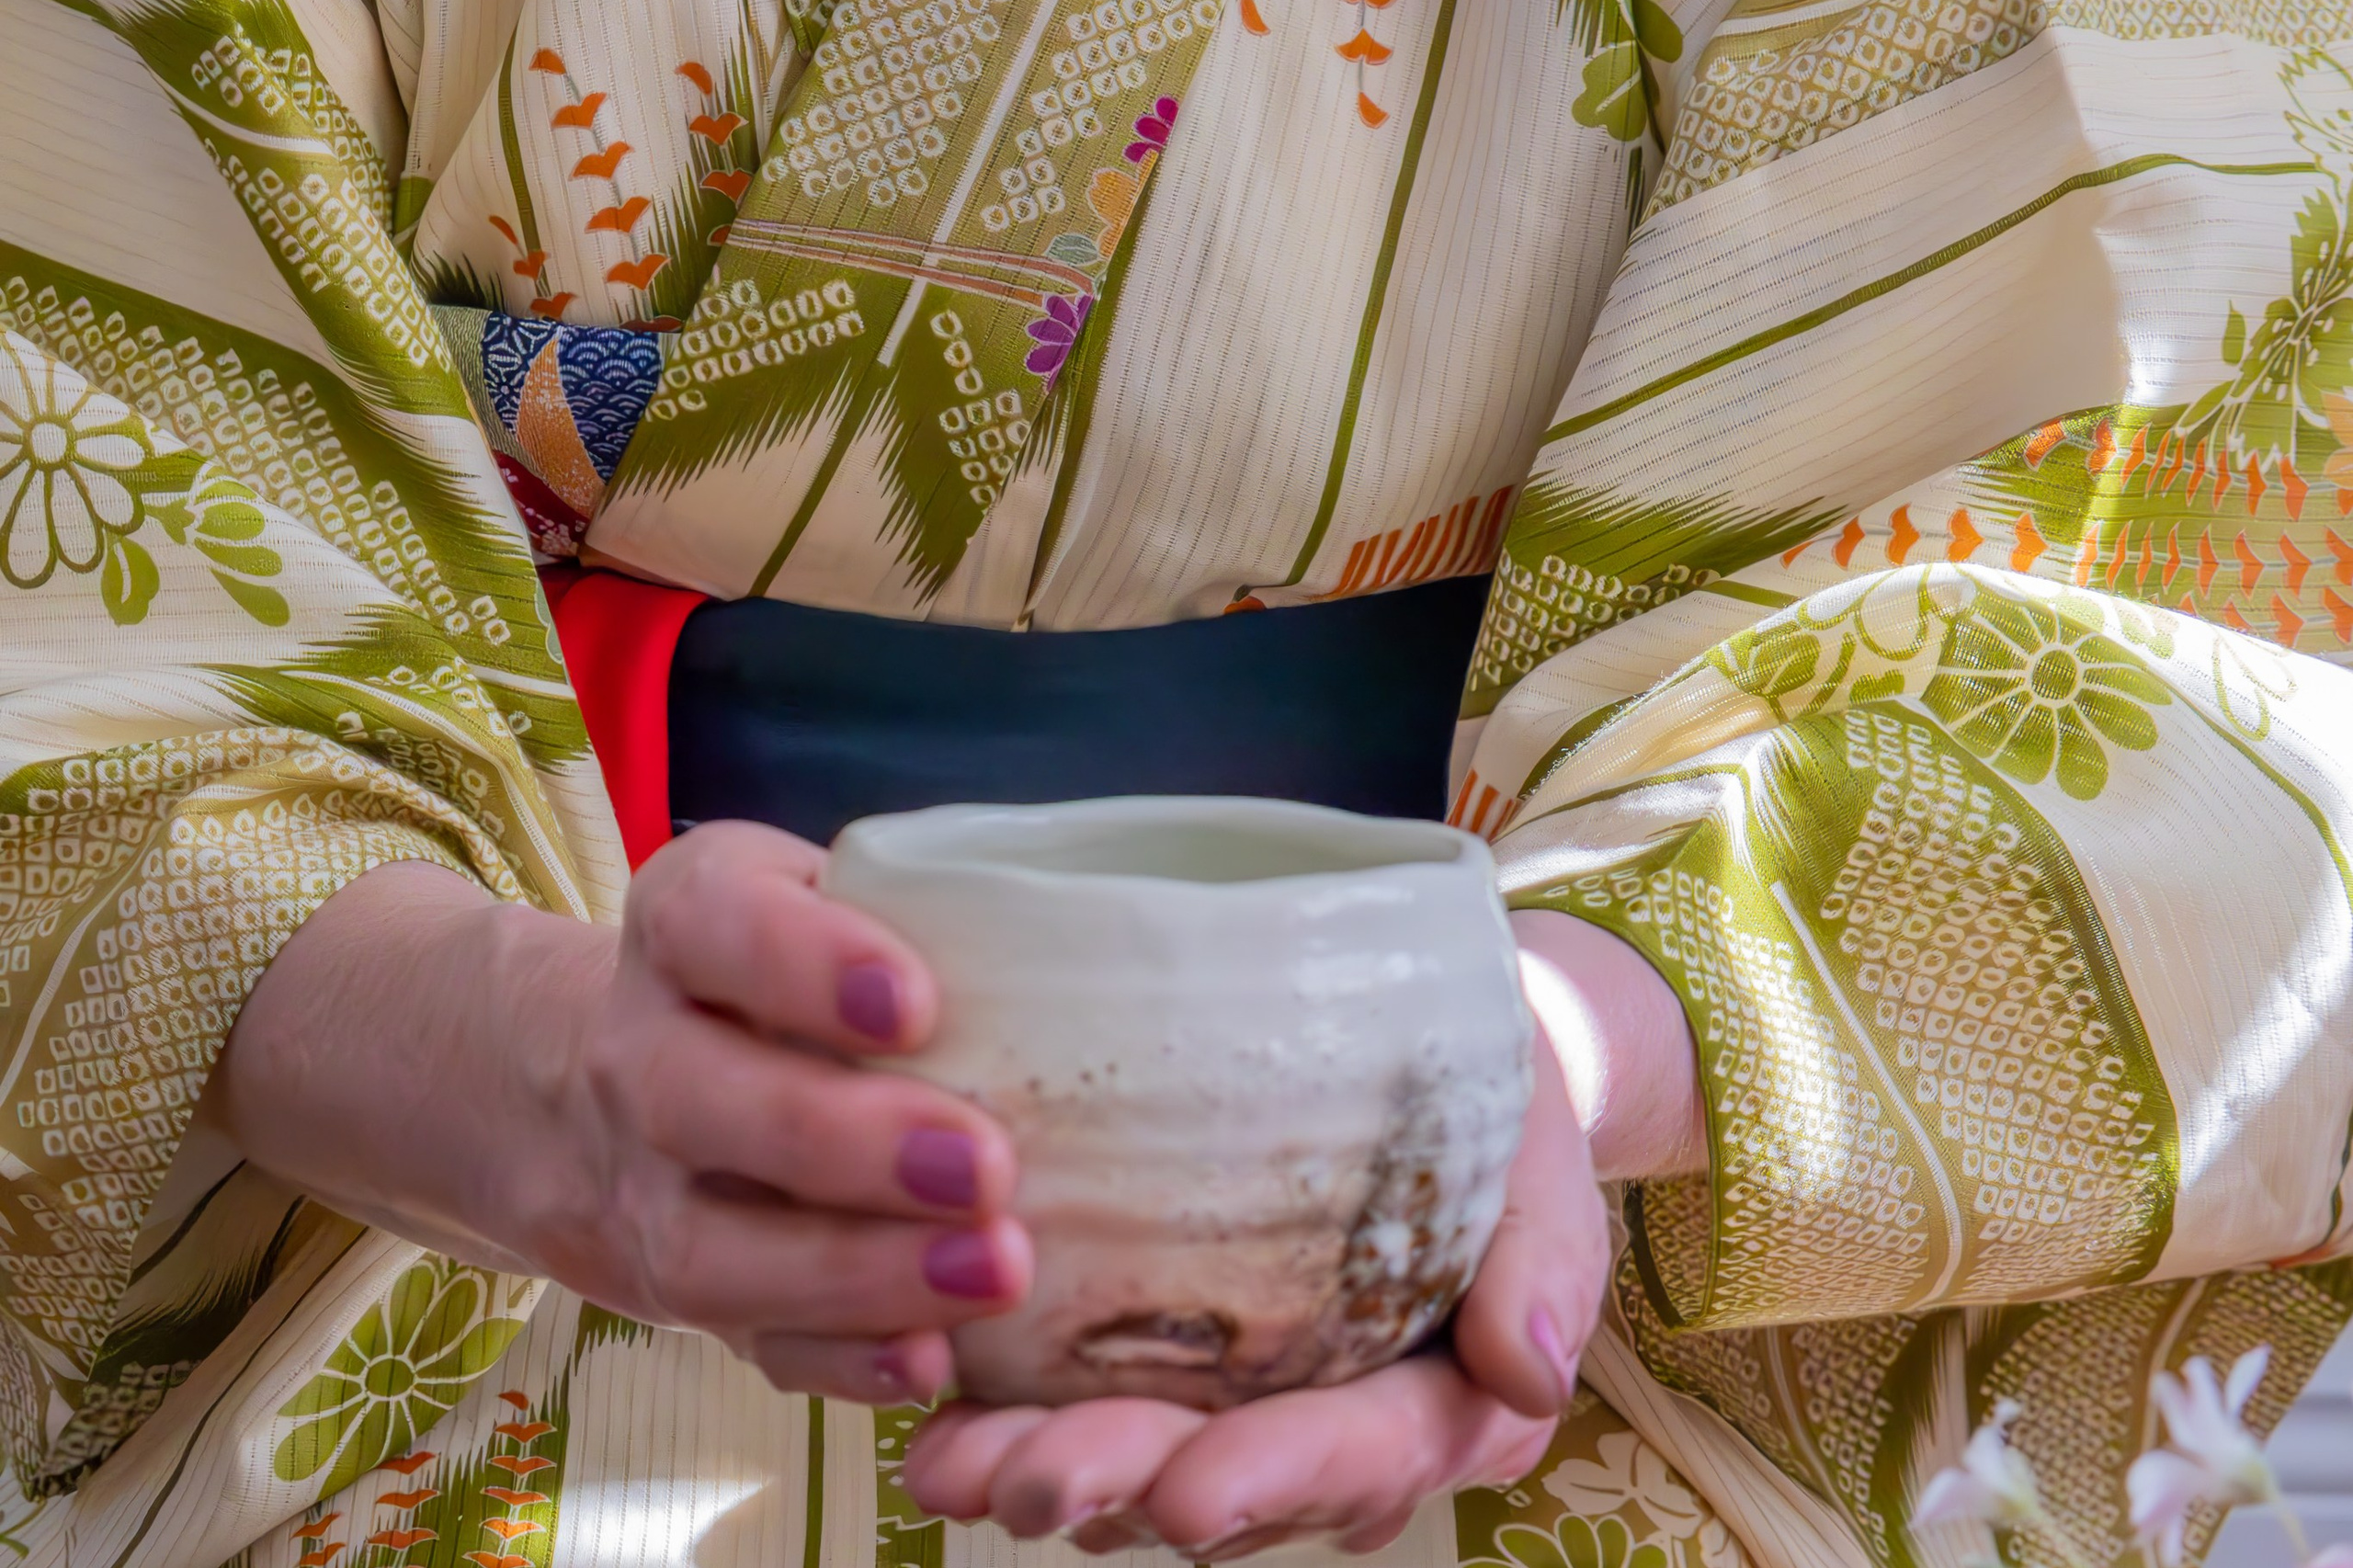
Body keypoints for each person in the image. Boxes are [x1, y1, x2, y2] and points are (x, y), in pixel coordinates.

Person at [1, 0, 2349, 1565]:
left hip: (1644, 1242)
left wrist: (1573, 1042)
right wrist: (523, 1072)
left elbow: (2171, 517)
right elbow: (84, 556)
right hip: (436, 1185)